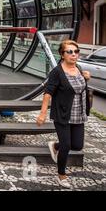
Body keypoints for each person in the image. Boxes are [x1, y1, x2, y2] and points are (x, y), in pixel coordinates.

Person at [37, 40, 91, 188]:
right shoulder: (57, 72)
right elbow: (48, 93)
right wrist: (42, 113)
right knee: (67, 145)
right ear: (62, 54)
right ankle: (61, 175)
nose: (74, 55)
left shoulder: (79, 68)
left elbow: (80, 87)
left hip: (78, 113)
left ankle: (55, 146)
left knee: (77, 145)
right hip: (62, 113)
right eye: (70, 52)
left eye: (76, 51)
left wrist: (86, 78)